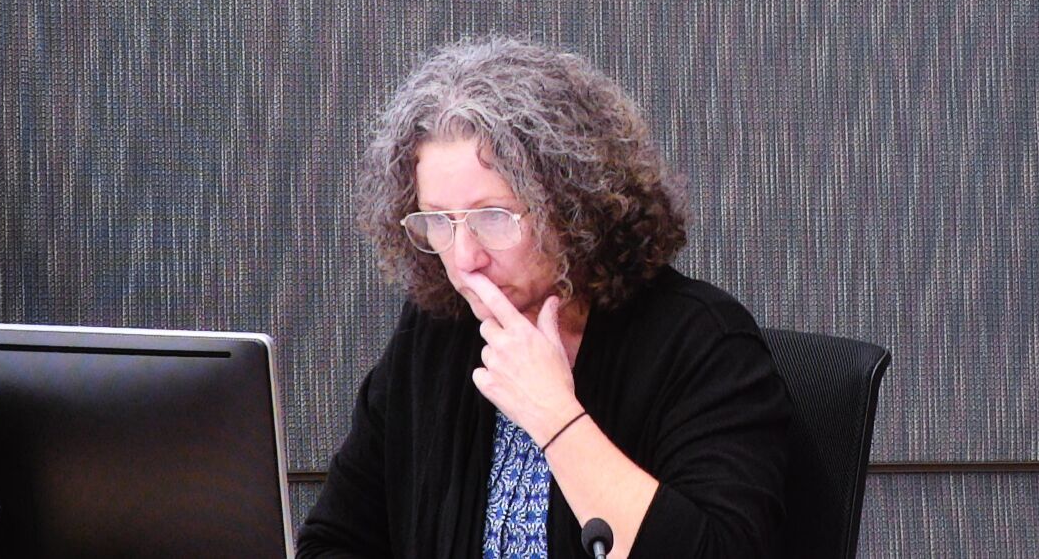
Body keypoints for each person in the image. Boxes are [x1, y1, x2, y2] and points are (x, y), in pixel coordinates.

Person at [298, 35, 791, 558]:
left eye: (493, 217)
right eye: (439, 221)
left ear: (573, 208)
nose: (464, 258)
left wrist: (556, 417)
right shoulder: (436, 331)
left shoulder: (701, 343)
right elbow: (332, 542)